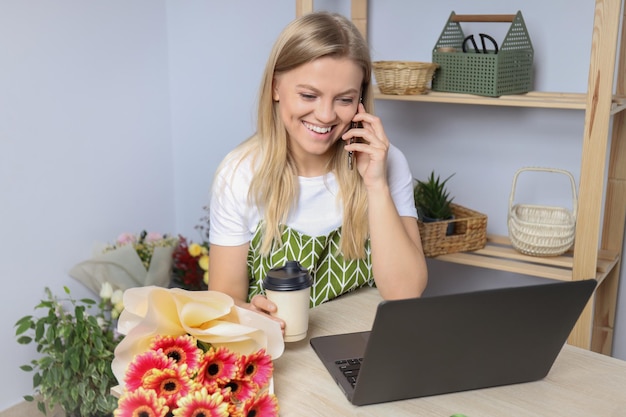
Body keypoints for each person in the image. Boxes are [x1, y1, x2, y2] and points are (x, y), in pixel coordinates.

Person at [208, 11, 427, 329]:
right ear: (275, 88)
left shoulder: (388, 162)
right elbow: (224, 297)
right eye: (309, 95)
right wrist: (244, 312)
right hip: (283, 355)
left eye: (344, 99)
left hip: (364, 348)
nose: (325, 115)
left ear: (361, 101)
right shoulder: (240, 173)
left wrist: (376, 184)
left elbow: (405, 294)